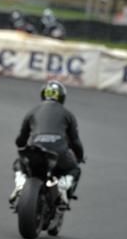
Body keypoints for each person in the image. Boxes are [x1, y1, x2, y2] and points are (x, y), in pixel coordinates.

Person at [9, 80, 85, 208]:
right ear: (62, 97)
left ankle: (20, 184)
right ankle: (62, 187)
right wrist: (79, 157)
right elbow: (75, 142)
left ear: (43, 95)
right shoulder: (68, 114)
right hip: (58, 152)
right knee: (75, 168)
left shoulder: (32, 112)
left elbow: (20, 140)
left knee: (18, 164)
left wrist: (23, 145)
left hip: (34, 150)